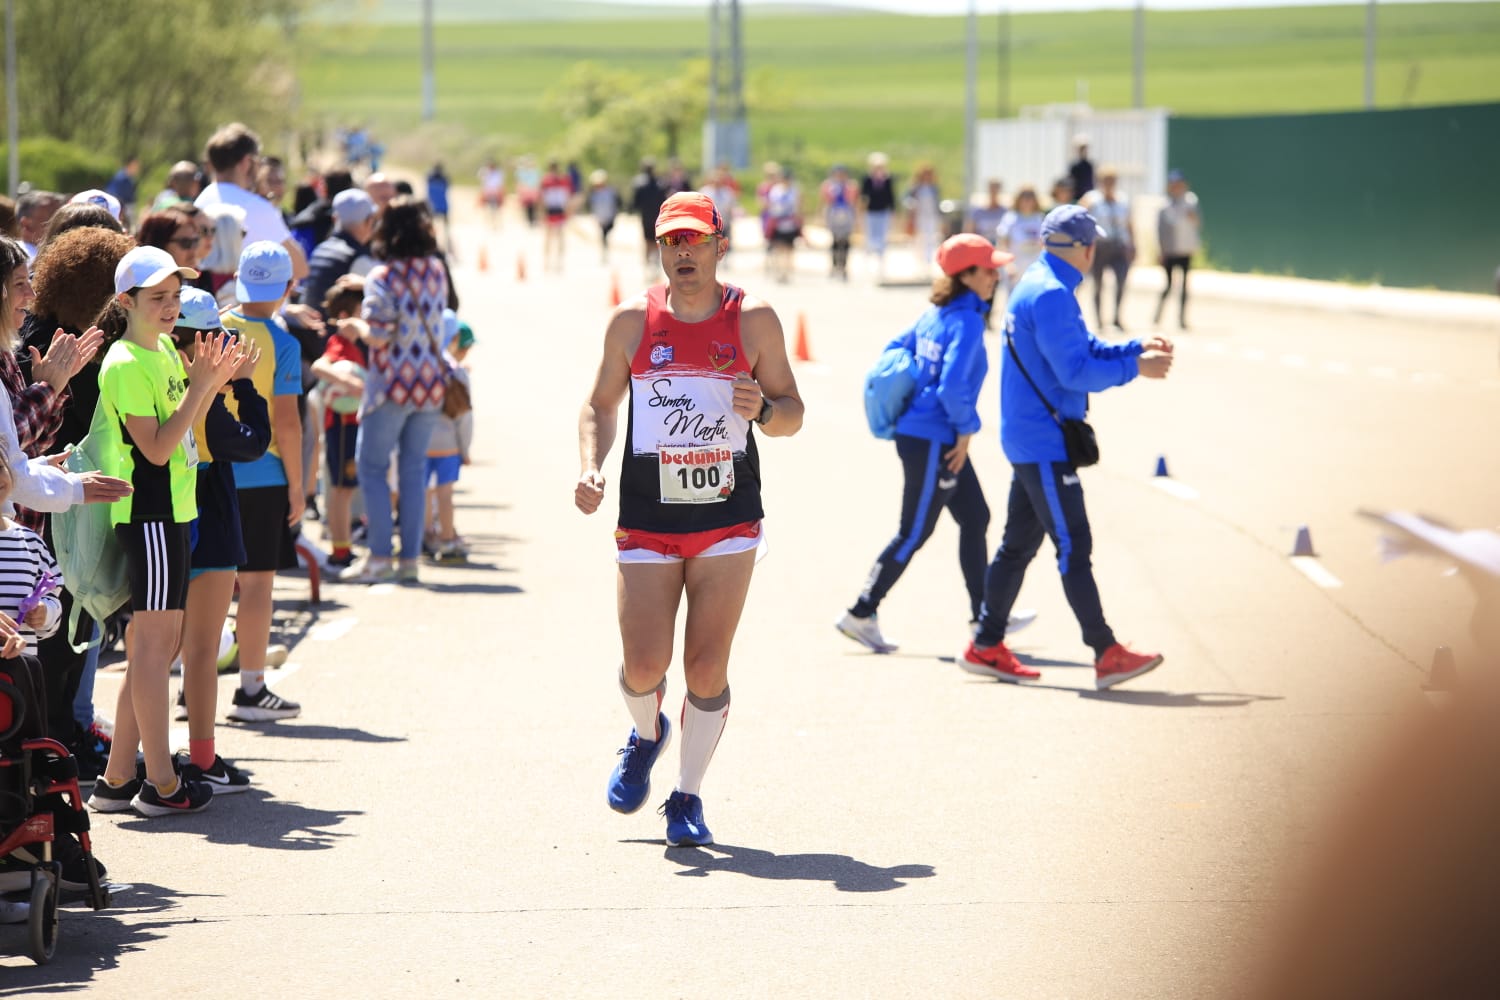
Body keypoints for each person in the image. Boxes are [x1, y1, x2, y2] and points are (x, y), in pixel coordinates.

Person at [576, 191, 805, 847]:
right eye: (671, 242)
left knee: (706, 669)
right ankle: (647, 732)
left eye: (695, 240)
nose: (683, 253)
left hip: (729, 516)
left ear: (718, 246)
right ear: (658, 248)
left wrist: (763, 408)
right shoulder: (631, 322)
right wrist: (592, 465)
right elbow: (598, 405)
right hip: (648, 515)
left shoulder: (753, 320)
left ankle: (687, 796)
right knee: (644, 665)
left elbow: (793, 413)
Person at [960, 205, 1174, 690]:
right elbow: (1075, 372)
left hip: (1030, 438)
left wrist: (1132, 348)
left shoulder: (1038, 282)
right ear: (1084, 249)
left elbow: (1079, 349)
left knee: (1017, 546)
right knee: (1073, 544)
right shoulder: (1054, 294)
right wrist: (1135, 368)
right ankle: (1106, 652)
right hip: (1044, 443)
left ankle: (986, 643)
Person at [86, 246, 242, 817]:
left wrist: (210, 380)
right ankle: (161, 783)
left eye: (175, 296)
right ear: (126, 302)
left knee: (156, 648)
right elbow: (153, 450)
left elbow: (181, 437)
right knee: (153, 649)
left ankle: (118, 777)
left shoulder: (162, 356)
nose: (171, 306)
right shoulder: (127, 361)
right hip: (150, 514)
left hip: (173, 514)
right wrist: (203, 385)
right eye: (158, 298)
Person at [837, 234, 1024, 654]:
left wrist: (920, 384)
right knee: (914, 531)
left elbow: (894, 351)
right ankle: (861, 611)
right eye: (989, 269)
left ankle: (984, 616)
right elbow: (954, 387)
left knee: (975, 517)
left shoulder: (936, 313)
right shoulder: (967, 320)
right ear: (967, 275)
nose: (996, 276)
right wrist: (965, 429)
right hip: (933, 439)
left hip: (928, 434)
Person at [170, 286, 267, 792]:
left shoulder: (156, 381)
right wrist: (245, 387)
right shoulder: (204, 396)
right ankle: (202, 759)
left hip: (163, 518)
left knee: (154, 649)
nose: (228, 352)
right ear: (195, 347)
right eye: (216, 341)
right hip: (209, 516)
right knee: (201, 649)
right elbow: (253, 444)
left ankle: (128, 765)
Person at [338, 196, 450, 585]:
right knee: (414, 471)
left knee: (371, 466)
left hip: (390, 387)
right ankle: (410, 560)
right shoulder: (436, 270)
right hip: (430, 385)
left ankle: (381, 556)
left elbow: (381, 337)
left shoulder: (382, 277)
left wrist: (357, 329)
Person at [218, 241, 306, 722]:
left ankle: (196, 689)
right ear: (289, 287)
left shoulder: (213, 326)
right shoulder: (283, 343)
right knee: (256, 587)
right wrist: (297, 485)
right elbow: (287, 423)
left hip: (210, 468)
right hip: (262, 473)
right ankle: (251, 688)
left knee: (207, 585)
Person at [195, 121, 309, 281]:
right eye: (257, 162)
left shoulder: (200, 202)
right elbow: (299, 268)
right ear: (247, 162)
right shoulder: (257, 207)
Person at [310, 275, 367, 570]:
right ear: (346, 316)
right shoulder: (340, 343)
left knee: (345, 488)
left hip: (349, 423)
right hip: (342, 424)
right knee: (342, 489)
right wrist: (348, 381)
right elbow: (320, 366)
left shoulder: (354, 346)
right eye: (361, 313)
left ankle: (342, 546)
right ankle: (340, 550)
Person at [423, 310, 472, 562]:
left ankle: (426, 535)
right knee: (445, 494)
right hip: (448, 444)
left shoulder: (421, 364)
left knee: (423, 492)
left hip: (419, 442)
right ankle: (446, 539)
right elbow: (465, 416)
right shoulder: (456, 371)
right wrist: (465, 449)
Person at [303, 188, 378, 319]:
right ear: (369, 221)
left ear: (334, 218)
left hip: (314, 334)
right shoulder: (358, 258)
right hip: (337, 337)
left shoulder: (320, 249)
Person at [1080, 166, 1135, 331]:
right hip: (1099, 246)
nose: (1109, 184)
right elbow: (1081, 219)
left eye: (1112, 181)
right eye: (1106, 181)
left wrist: (1133, 244)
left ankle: (1117, 317)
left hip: (1119, 245)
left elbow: (1129, 224)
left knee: (1121, 280)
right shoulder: (1091, 199)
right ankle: (1099, 320)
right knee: (1097, 283)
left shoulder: (1122, 200)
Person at [1154, 169, 1201, 330]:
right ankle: (1158, 315)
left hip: (1185, 249)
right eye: (1174, 185)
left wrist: (1191, 216)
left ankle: (1181, 319)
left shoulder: (1191, 201)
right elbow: (1160, 230)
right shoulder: (1164, 205)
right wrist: (1161, 251)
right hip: (1170, 251)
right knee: (1168, 285)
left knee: (1185, 285)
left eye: (1179, 185)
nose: (1177, 188)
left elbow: (1198, 223)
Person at [997, 186, 1045, 292]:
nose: (1027, 200)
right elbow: (1002, 244)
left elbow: (1044, 244)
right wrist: (1008, 265)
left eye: (1030, 196)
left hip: (1035, 268)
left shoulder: (1039, 218)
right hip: (1016, 268)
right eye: (1024, 196)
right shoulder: (1010, 218)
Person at [860, 152, 897, 279]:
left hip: (883, 211)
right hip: (871, 211)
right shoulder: (867, 179)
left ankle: (881, 262)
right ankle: (868, 262)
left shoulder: (887, 180)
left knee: (882, 237)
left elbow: (891, 196)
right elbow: (863, 196)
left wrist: (893, 211)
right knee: (870, 236)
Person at [820, 164, 858, 281]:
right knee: (835, 240)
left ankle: (844, 266)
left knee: (845, 241)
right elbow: (825, 201)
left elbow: (853, 201)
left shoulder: (850, 186)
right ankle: (834, 265)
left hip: (846, 214)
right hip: (834, 213)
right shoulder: (829, 186)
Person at [631, 159, 667, 275]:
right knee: (657, 240)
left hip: (646, 217)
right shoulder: (660, 183)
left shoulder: (640, 184)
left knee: (647, 241)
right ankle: (654, 263)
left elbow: (636, 202)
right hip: (657, 217)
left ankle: (648, 266)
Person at [906, 164, 942, 269]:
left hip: (931, 216)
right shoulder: (916, 188)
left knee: (930, 237)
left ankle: (928, 260)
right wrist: (912, 204)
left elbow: (937, 203)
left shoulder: (934, 188)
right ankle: (919, 260)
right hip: (919, 216)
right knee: (920, 238)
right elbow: (906, 199)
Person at [540, 160, 573, 272]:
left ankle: (556, 263)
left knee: (557, 238)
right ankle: (549, 262)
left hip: (557, 210)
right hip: (553, 210)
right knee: (552, 238)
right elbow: (542, 197)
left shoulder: (562, 180)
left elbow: (566, 197)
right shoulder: (548, 180)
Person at [587, 169, 622, 264]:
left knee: (606, 235)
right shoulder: (594, 194)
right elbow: (592, 206)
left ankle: (605, 251)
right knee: (603, 236)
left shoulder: (611, 191)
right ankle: (604, 253)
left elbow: (617, 203)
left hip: (609, 217)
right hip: (600, 218)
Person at [15, 191, 63, 261]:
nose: (61, 223)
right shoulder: (14, 259)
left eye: (61, 217)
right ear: (26, 224)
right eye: (52, 218)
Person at [104, 156, 141, 228]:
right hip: (121, 208)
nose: (137, 169)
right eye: (135, 166)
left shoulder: (130, 179)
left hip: (127, 208)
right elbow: (113, 193)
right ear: (129, 165)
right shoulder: (121, 177)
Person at [426, 162, 451, 251]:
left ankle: (436, 244)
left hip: (432, 204)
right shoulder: (444, 178)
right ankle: (446, 244)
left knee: (431, 227)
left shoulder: (430, 177)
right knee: (445, 227)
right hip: (442, 204)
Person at [478, 159, 505, 227]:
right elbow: (481, 179)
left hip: (495, 193)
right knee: (489, 207)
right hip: (488, 192)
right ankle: (491, 222)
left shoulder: (498, 173)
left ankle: (496, 222)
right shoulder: (485, 172)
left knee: (496, 208)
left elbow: (499, 183)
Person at [1068, 137, 1095, 201]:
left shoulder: (1089, 165)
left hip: (1088, 196)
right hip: (1076, 197)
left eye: (1085, 148)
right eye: (1081, 148)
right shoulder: (1074, 165)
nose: (1084, 150)